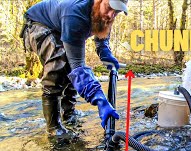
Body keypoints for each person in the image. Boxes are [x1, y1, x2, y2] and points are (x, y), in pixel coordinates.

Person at [20, 0, 128, 138]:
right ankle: (53, 127)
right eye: (109, 8)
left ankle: (68, 114)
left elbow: (102, 36)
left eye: (117, 12)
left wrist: (104, 51)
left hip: (61, 26)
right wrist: (100, 99)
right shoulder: (75, 13)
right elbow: (78, 66)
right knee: (61, 62)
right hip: (37, 25)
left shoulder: (106, 15)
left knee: (71, 69)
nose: (111, 15)